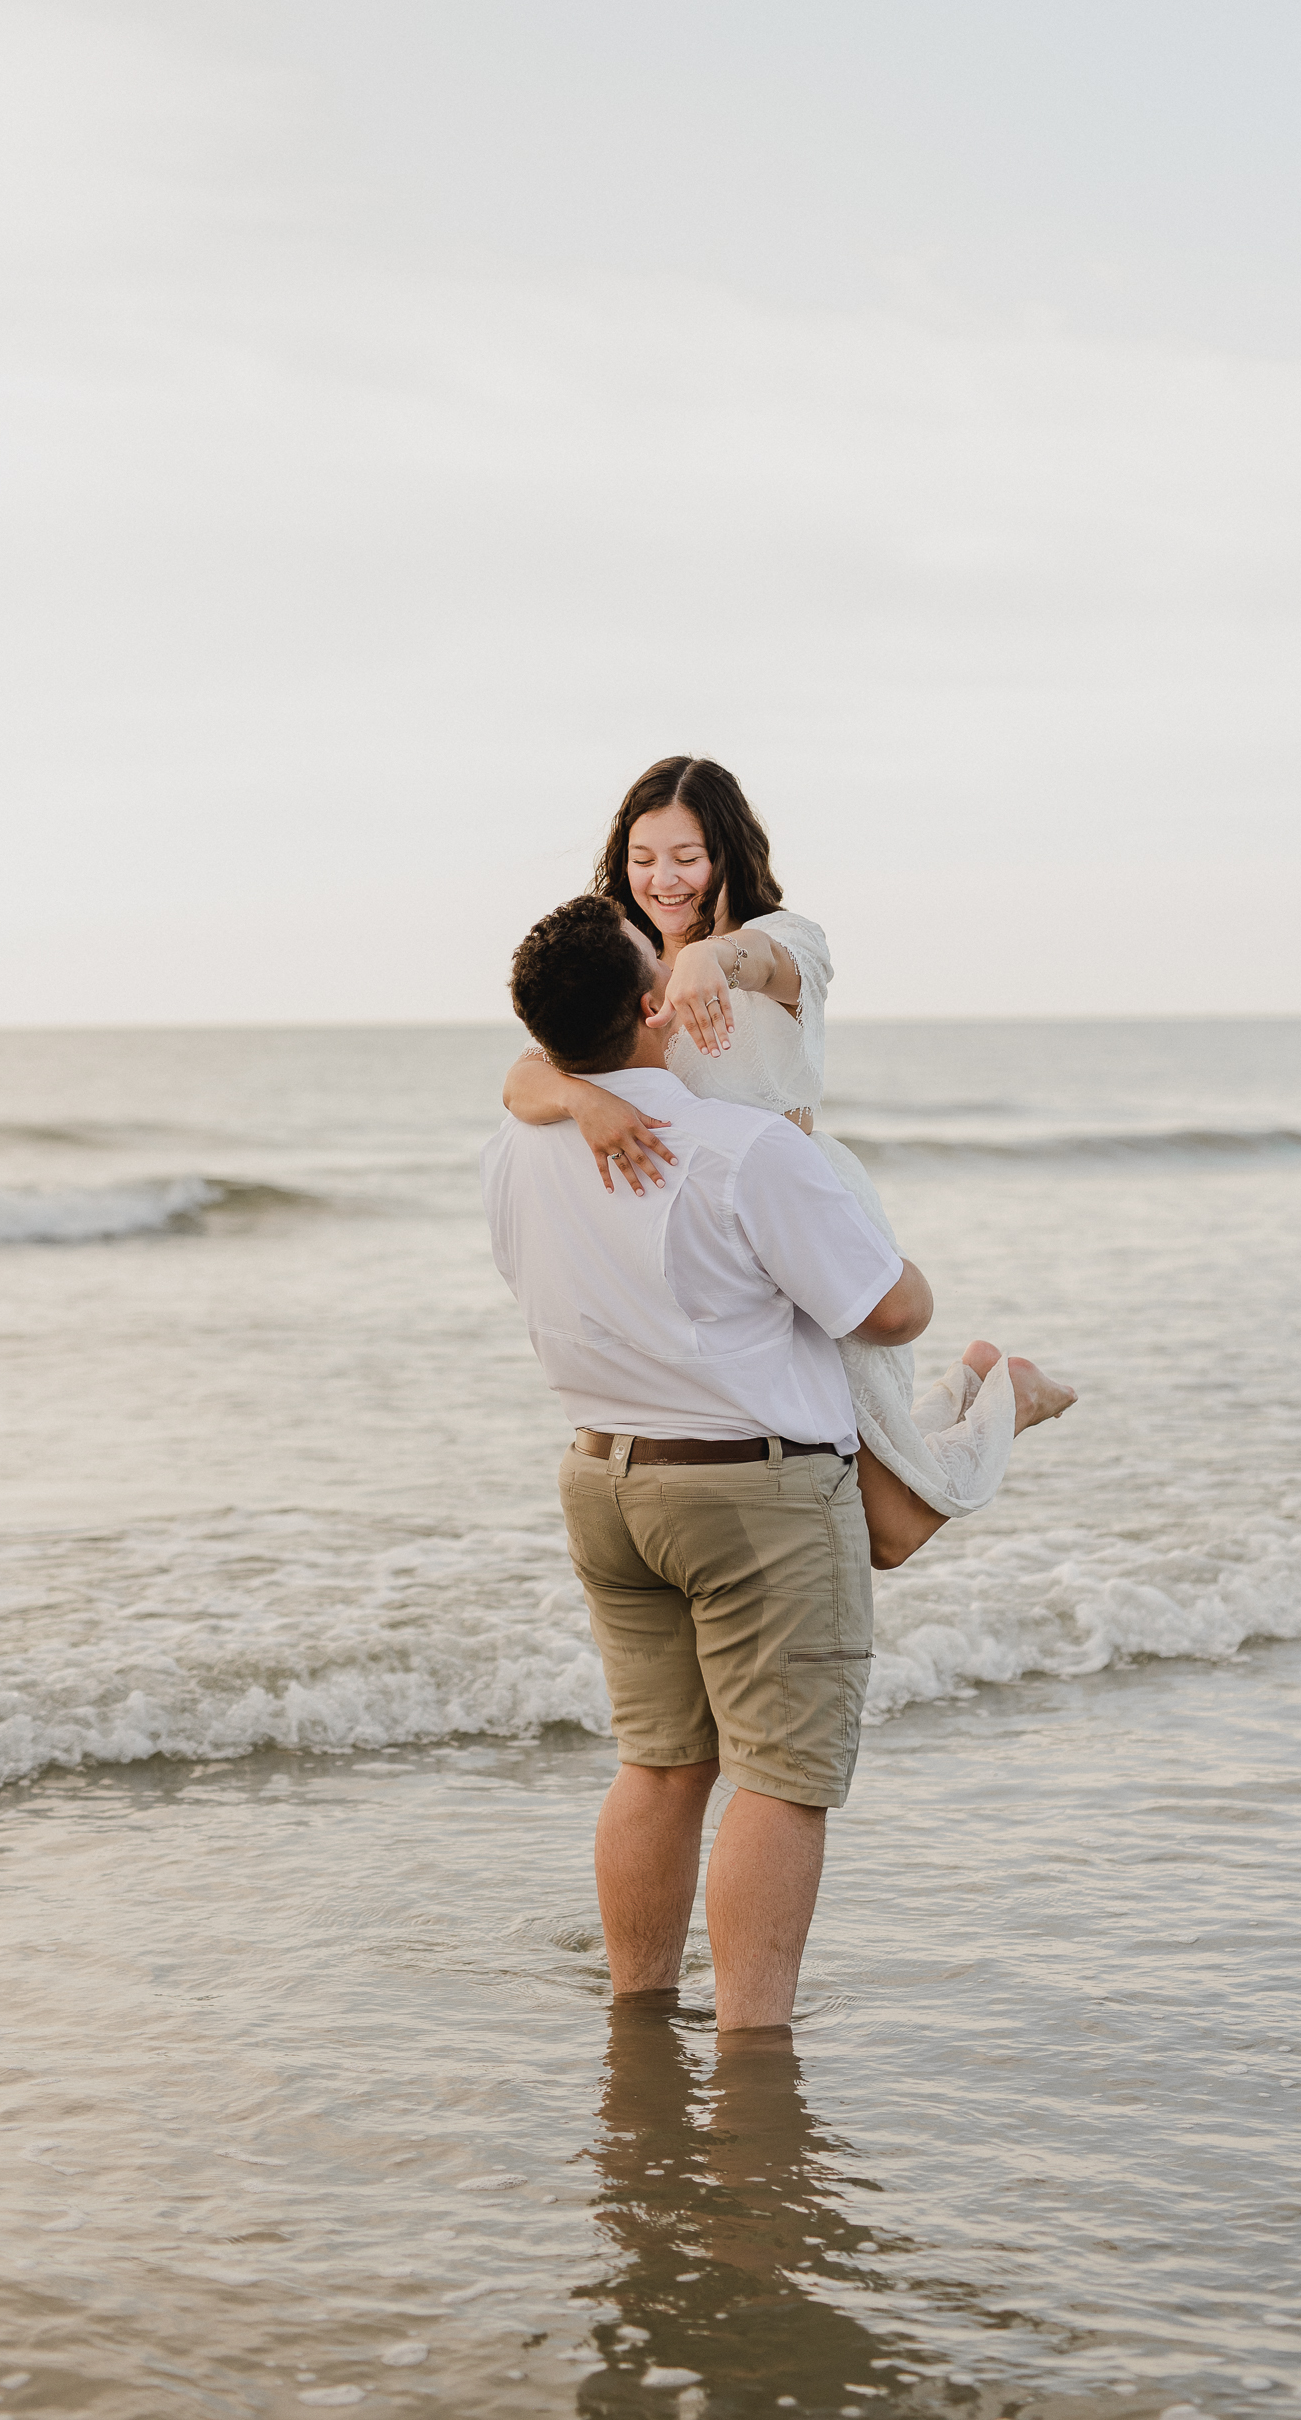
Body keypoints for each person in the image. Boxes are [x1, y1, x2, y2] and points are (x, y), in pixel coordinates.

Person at [482, 893, 932, 2030]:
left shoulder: (518, 1146)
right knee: (780, 1779)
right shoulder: (740, 1147)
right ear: (650, 1010)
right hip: (753, 1492)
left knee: (659, 1765)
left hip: (602, 1482)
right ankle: (752, 2050)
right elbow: (889, 1313)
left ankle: (638, 2017)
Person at [502, 755, 1076, 1569]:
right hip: (717, 1258)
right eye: (643, 858)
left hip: (803, 1215)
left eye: (686, 858)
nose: (663, 879)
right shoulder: (621, 961)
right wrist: (583, 1101)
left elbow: (768, 966)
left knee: (887, 1532)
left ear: (729, 855)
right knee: (852, 1476)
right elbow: (524, 1075)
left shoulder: (783, 939)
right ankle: (974, 1387)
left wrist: (714, 960)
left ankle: (1005, 1397)